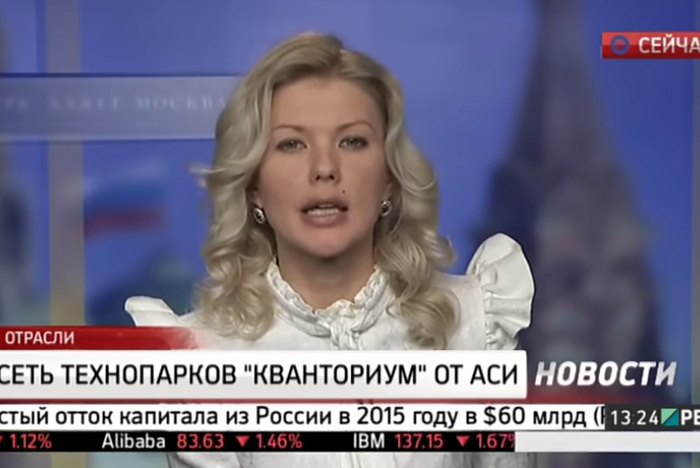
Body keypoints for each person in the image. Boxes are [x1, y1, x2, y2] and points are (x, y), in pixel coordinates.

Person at [126, 32, 535, 468]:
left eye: (351, 141)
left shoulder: (473, 324)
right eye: (291, 144)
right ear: (254, 187)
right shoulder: (202, 357)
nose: (324, 168)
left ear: (389, 179)